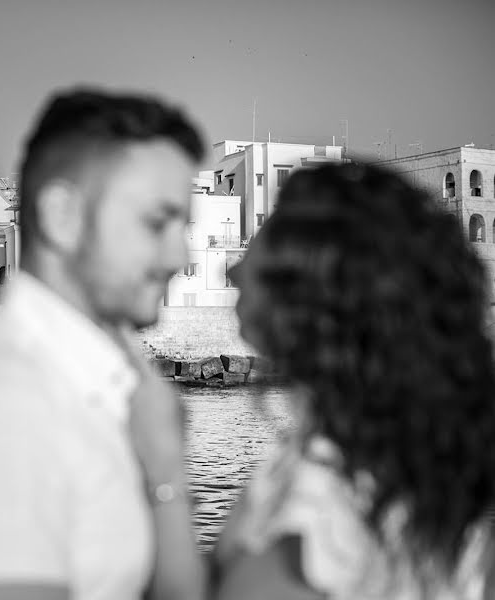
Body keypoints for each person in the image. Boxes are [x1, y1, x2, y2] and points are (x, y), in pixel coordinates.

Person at [0, 89, 208, 600]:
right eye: (157, 223)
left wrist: (164, 475)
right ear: (62, 216)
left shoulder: (81, 387)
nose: (179, 254)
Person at [207, 164, 495, 599]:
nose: (233, 270)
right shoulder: (426, 477)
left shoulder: (320, 508)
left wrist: (164, 475)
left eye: (265, 244)